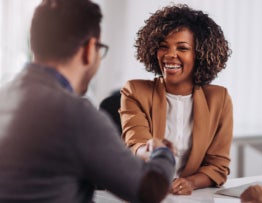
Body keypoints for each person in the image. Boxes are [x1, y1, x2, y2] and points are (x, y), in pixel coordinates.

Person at [0, 0, 176, 203]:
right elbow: (149, 189)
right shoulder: (75, 115)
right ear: (89, 49)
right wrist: (162, 152)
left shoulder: (5, 96)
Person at [119, 3, 233, 195]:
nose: (170, 55)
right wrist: (148, 150)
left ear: (200, 54)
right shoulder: (135, 91)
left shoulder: (218, 99)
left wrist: (190, 182)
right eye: (163, 47)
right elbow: (135, 143)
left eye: (182, 48)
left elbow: (218, 166)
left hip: (188, 198)